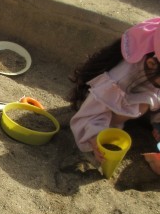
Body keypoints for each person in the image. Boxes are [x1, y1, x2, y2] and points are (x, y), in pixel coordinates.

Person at [68, 18, 160, 171]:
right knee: (142, 106)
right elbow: (89, 113)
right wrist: (95, 138)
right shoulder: (121, 78)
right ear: (151, 64)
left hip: (134, 97)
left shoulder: (154, 68)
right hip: (103, 109)